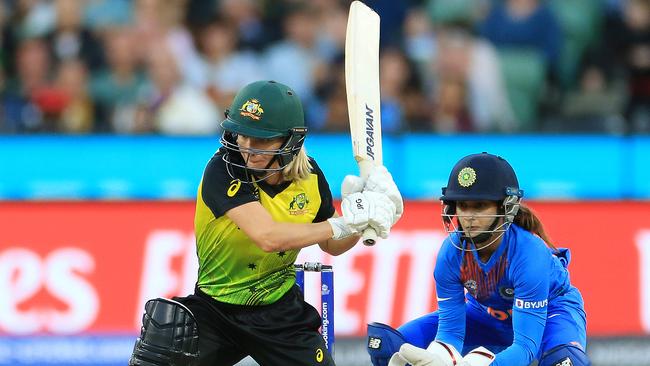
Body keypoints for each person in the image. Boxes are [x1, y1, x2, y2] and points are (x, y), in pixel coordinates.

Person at [129, 80, 403, 366]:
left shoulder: (310, 177)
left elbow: (333, 245)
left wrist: (364, 220)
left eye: (261, 139)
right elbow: (267, 237)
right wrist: (345, 223)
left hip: (280, 313)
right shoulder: (223, 169)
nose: (247, 147)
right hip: (216, 309)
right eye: (242, 135)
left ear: (291, 140)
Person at [367, 152, 590, 366]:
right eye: (463, 206)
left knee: (564, 362)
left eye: (480, 206)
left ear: (506, 207)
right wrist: (440, 357)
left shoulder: (529, 254)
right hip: (486, 314)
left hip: (550, 312)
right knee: (389, 347)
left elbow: (525, 347)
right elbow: (450, 333)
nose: (469, 216)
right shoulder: (450, 253)